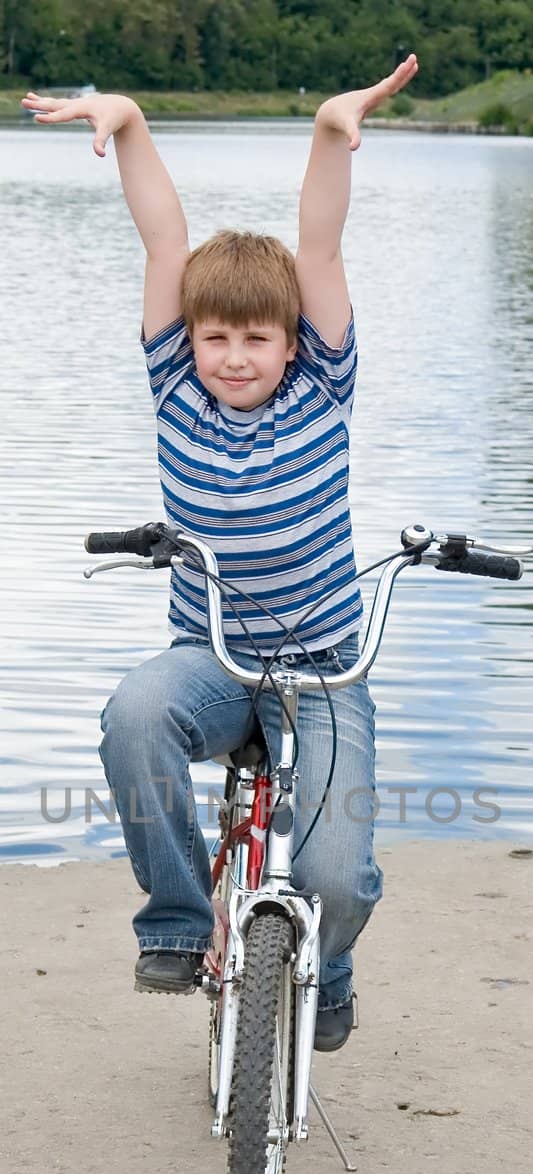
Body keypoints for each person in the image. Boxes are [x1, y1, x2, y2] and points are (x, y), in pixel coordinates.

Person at [23, 56, 418, 1052]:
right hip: (210, 665)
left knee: (330, 874)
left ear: (291, 345)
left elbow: (318, 250)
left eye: (254, 337)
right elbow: (164, 238)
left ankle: (324, 976)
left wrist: (331, 133)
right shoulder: (173, 390)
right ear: (187, 340)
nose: (233, 356)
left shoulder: (321, 391)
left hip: (324, 672)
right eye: (215, 337)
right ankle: (178, 920)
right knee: (131, 714)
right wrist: (130, 117)